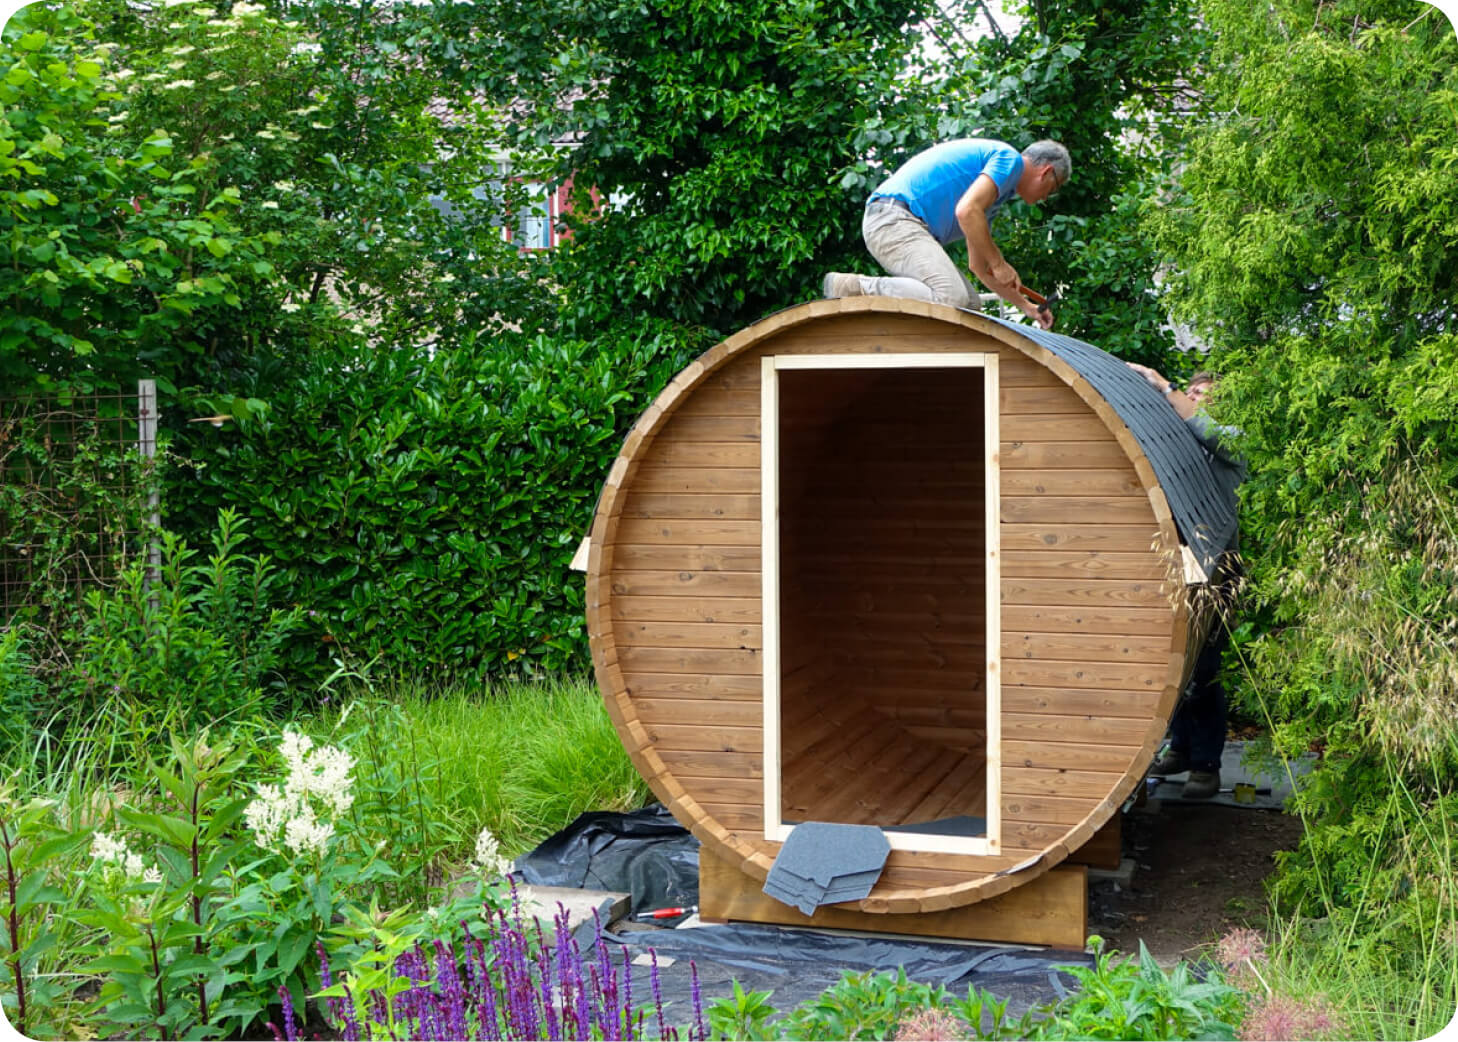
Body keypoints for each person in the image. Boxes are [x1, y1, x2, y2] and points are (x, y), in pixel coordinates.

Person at [1127, 364, 1247, 800]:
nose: (1194, 398)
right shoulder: (1182, 441)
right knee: (1171, 661)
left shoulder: (1232, 441)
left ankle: (1206, 767)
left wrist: (1166, 386)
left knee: (1205, 668)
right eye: (1193, 391)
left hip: (1219, 569)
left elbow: (1206, 429)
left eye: (1204, 395)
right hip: (1179, 564)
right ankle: (1179, 750)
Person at [821, 138, 1070, 329]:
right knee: (952, 298)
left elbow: (978, 267)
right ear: (1047, 172)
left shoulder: (993, 197)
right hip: (892, 218)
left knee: (972, 306)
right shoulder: (1009, 159)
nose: (1046, 197)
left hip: (904, 223)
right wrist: (999, 262)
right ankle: (856, 286)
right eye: (1053, 189)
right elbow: (966, 211)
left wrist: (1027, 307)